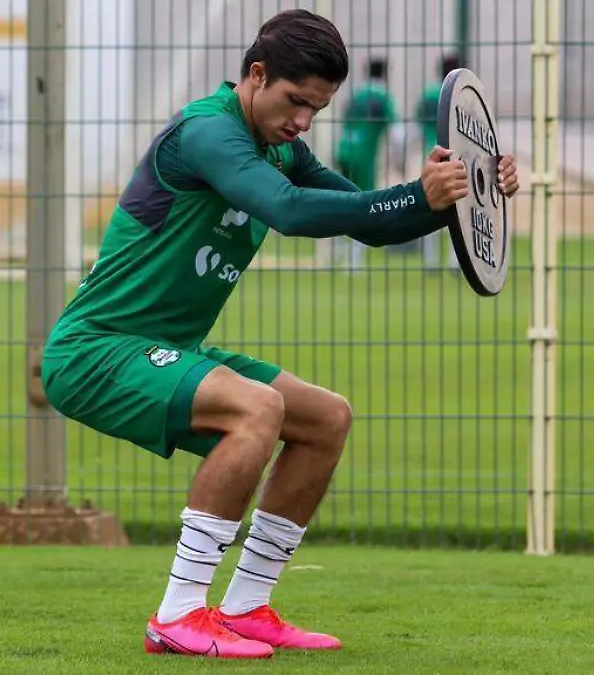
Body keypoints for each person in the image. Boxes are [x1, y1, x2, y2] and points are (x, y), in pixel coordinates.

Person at [42, 9, 519, 660]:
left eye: (316, 110)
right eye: (295, 102)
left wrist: (463, 192)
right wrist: (420, 194)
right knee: (257, 408)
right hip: (96, 348)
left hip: (167, 347)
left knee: (325, 418)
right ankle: (178, 614)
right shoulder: (208, 133)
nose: (302, 122)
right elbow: (291, 211)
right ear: (256, 75)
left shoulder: (281, 147)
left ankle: (244, 608)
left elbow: (369, 221)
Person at [333, 56, 412, 264]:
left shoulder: (355, 95)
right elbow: (397, 133)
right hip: (364, 155)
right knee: (364, 203)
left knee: (340, 199)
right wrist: (400, 158)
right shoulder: (383, 97)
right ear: (384, 75)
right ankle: (354, 258)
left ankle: (336, 249)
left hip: (343, 149)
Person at [415, 53, 466, 271]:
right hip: (456, 156)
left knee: (431, 205)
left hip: (431, 154)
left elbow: (417, 123)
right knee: (459, 210)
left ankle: (430, 261)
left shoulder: (428, 95)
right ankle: (456, 262)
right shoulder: (461, 94)